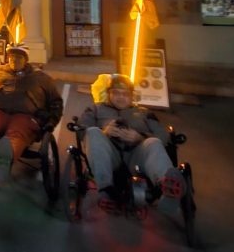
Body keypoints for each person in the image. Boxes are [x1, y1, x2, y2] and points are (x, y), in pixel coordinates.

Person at [0, 46, 63, 201]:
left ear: (26, 60)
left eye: (18, 58)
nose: (14, 60)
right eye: (11, 57)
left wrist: (51, 121)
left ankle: (5, 156)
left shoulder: (41, 78)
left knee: (17, 133)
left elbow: (56, 103)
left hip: (25, 115)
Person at [78, 74, 184, 212]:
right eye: (116, 93)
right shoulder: (95, 109)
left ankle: (167, 187)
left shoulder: (144, 112)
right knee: (92, 132)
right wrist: (104, 131)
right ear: (108, 94)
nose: (121, 97)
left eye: (125, 94)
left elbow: (163, 135)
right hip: (109, 156)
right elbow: (81, 130)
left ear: (132, 96)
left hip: (136, 156)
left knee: (153, 142)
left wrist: (140, 137)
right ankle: (105, 190)